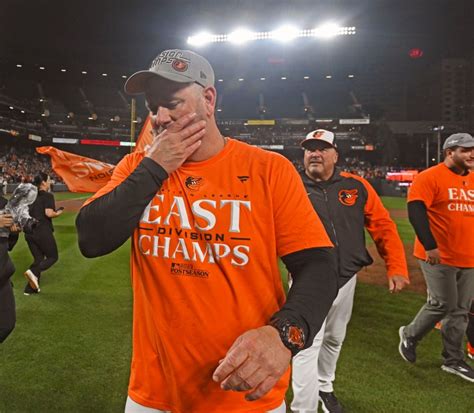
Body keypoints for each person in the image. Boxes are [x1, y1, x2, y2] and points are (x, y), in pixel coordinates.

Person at [75, 49, 338, 413]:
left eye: (172, 103)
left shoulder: (268, 170)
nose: (160, 118)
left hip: (243, 393)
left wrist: (284, 336)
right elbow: (91, 238)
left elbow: (319, 266)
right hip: (152, 393)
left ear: (209, 99)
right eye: (153, 107)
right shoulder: (137, 166)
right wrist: (156, 167)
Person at [291, 129, 410, 413]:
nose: (315, 154)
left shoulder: (356, 186)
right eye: (309, 149)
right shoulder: (291, 185)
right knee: (307, 343)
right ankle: (302, 409)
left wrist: (396, 266)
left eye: (322, 149)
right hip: (308, 280)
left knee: (334, 337)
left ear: (336, 155)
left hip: (347, 277)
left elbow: (382, 226)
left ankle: (325, 386)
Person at [399, 133, 474, 382]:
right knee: (443, 303)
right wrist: (430, 245)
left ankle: (453, 360)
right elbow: (416, 212)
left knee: (461, 310)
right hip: (438, 256)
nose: (472, 154)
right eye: (465, 150)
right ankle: (410, 335)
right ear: (449, 152)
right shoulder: (429, 177)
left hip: (469, 257)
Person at [23, 172, 64, 295]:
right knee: (53, 257)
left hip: (29, 231)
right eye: (49, 180)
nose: (51, 182)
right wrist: (58, 212)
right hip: (42, 230)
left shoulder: (29, 196)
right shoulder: (47, 196)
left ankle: (30, 289)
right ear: (43, 182)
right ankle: (33, 271)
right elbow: (49, 213)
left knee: (39, 258)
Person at [0, 198, 20, 342]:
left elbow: (8, 246)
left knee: (7, 325)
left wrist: (13, 232)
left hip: (3, 278)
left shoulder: (3, 203)